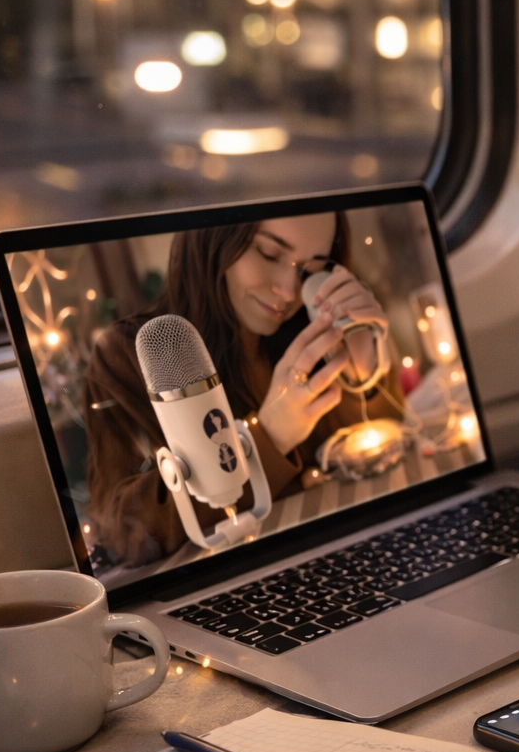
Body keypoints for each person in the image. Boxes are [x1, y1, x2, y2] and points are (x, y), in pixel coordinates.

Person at [84, 213, 399, 566]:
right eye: (268, 252)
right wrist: (267, 438)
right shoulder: (130, 354)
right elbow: (128, 536)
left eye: (309, 269)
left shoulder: (306, 329)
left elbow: (380, 453)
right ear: (213, 237)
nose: (289, 290)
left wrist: (363, 367)